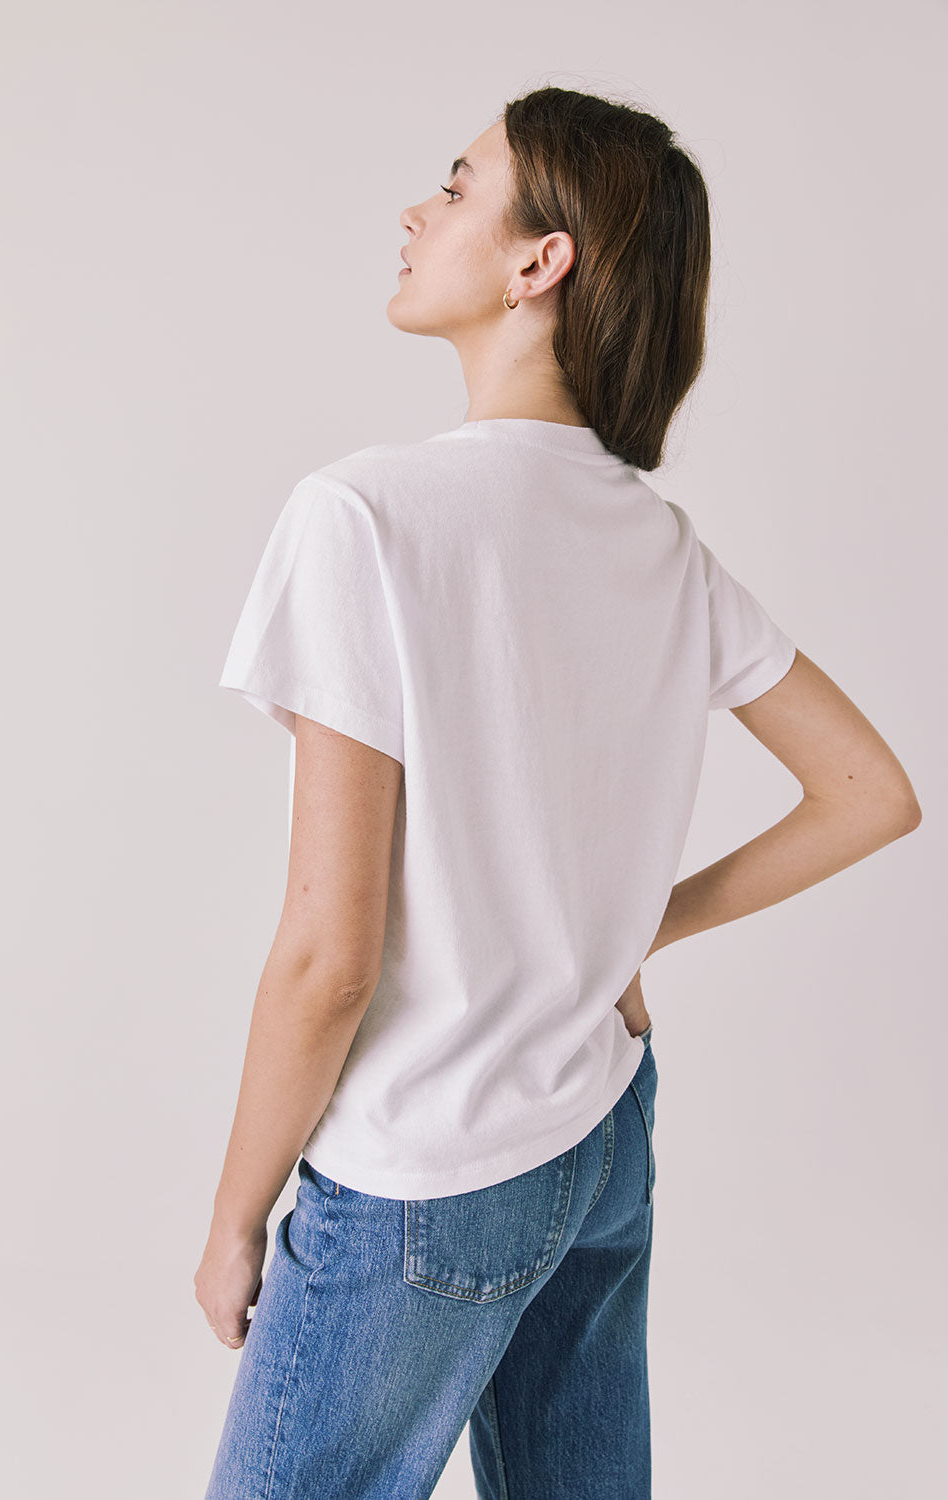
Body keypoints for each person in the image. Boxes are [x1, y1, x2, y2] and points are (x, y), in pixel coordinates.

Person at [195, 86, 922, 1500]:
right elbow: (868, 791)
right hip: (597, 1134)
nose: (416, 213)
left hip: (424, 1167)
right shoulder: (655, 543)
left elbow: (327, 955)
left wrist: (234, 1218)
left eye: (456, 188)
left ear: (544, 261)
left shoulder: (363, 519)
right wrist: (622, 933)